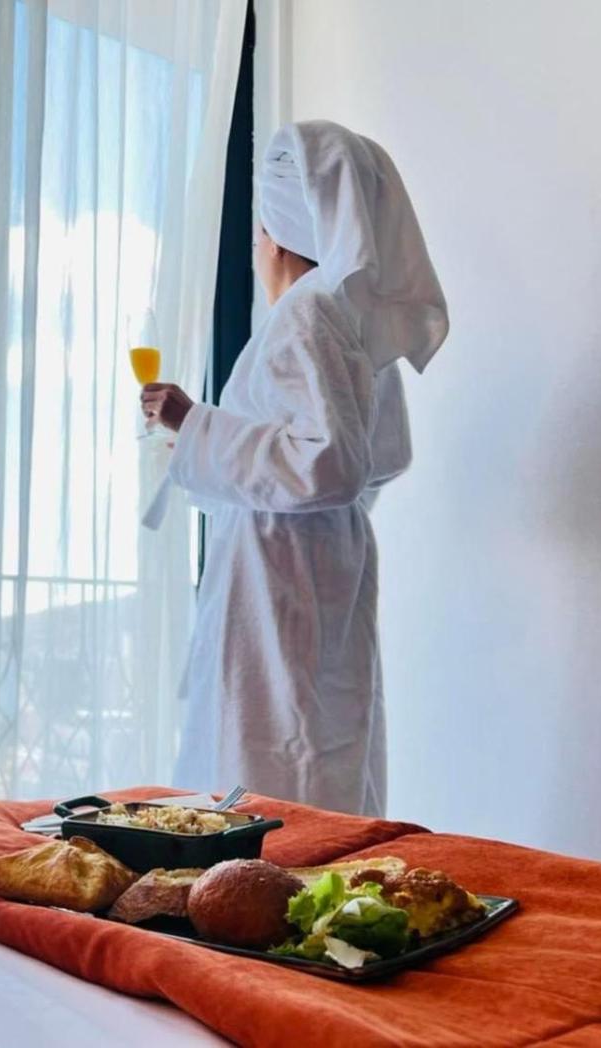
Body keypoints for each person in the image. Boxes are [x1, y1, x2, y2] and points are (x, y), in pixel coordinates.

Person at [140, 121, 448, 815]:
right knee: (319, 741)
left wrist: (194, 422)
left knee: (273, 753)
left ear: (273, 235)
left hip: (279, 573)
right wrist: (216, 447)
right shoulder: (352, 318)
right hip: (324, 561)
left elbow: (329, 463)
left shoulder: (305, 316)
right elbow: (379, 457)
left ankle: (260, 876)